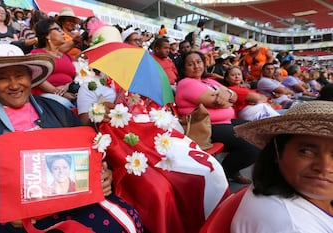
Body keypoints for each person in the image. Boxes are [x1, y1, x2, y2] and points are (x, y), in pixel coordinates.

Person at [0, 44, 143, 233]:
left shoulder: (55, 110)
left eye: (20, 75)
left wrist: (101, 175)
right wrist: (1, 204)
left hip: (70, 204)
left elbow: (87, 154)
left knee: (128, 220)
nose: (14, 84)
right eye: (2, 78)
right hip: (13, 222)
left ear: (31, 77)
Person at [77, 24, 230, 233]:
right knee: (160, 189)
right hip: (116, 147)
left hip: (143, 139)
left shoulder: (129, 83)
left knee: (204, 171)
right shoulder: (89, 86)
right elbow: (86, 123)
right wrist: (98, 112)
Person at [232, 100, 333, 232]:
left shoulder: (287, 185)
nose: (325, 167)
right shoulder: (292, 226)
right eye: (306, 152)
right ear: (277, 153)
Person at [175, 50, 260, 184]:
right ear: (183, 68)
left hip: (225, 121)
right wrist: (228, 96)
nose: (196, 66)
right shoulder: (186, 83)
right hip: (208, 126)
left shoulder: (208, 81)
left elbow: (235, 96)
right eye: (191, 64)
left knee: (258, 131)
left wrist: (228, 94)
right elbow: (214, 102)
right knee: (253, 145)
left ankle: (231, 170)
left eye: (198, 62)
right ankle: (223, 174)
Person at [31, 18, 78, 108]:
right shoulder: (37, 54)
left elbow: (78, 77)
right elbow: (37, 78)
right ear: (47, 35)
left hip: (70, 93)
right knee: (65, 105)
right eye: (57, 29)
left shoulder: (68, 57)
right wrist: (58, 92)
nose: (62, 32)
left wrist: (67, 86)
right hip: (47, 97)